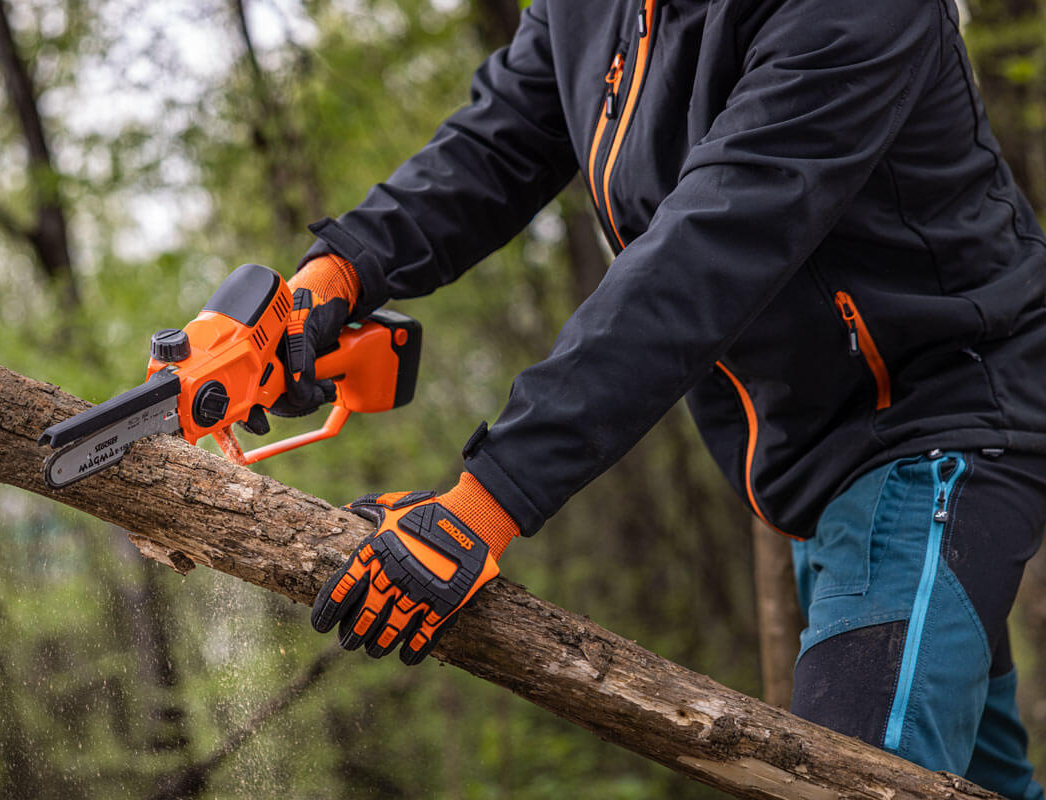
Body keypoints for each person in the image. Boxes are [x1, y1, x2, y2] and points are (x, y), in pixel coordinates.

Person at [255, 0, 1046, 794]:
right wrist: (332, 276)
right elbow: (493, 147)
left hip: (937, 423)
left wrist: (487, 501)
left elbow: (708, 248)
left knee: (847, 783)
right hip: (818, 464)